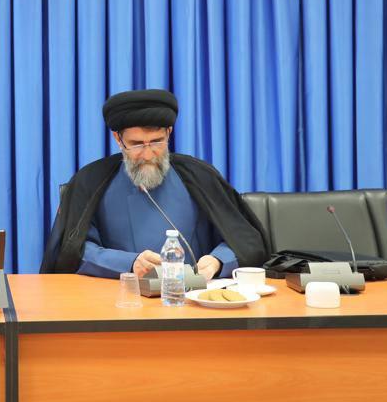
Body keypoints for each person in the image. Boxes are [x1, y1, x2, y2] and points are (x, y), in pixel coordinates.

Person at [41, 89, 267, 279]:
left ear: (169, 133)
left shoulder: (200, 176)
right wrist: (129, 264)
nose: (148, 155)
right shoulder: (90, 181)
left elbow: (243, 239)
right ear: (118, 139)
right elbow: (74, 251)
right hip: (119, 301)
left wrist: (218, 260)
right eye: (136, 144)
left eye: (157, 142)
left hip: (193, 300)